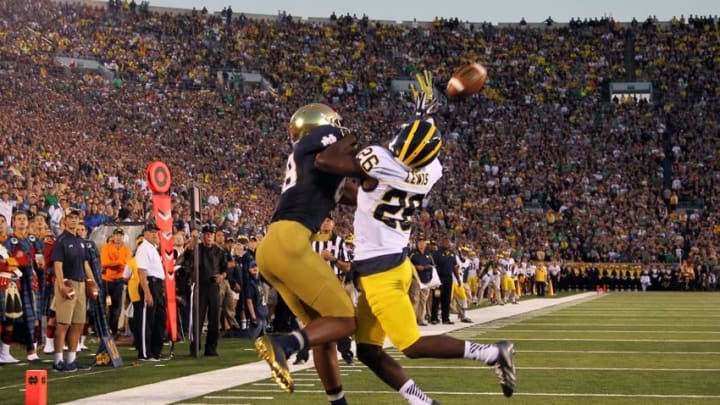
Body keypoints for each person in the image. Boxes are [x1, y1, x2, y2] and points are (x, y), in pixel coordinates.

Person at [315, 74, 516, 403]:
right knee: (367, 350)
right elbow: (420, 143)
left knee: (411, 345)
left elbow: (326, 161)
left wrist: (336, 137)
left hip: (380, 270)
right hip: (393, 261)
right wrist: (424, 116)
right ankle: (421, 401)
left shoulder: (380, 163)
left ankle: (493, 353)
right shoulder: (430, 172)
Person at [253, 103, 356, 404]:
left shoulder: (312, 163)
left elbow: (355, 194)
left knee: (324, 331)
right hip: (291, 241)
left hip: (273, 246)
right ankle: (284, 344)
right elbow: (333, 158)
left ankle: (337, 401)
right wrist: (363, 151)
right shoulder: (323, 145)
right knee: (346, 319)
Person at [49, 208, 98, 372]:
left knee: (78, 323)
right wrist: (62, 285)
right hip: (68, 282)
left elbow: (85, 264)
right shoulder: (61, 240)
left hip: (81, 284)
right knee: (63, 323)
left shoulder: (81, 241)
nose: (73, 221)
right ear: (65, 220)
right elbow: (57, 264)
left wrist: (93, 281)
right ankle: (58, 361)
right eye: (70, 218)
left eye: (76, 218)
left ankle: (71, 359)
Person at [185, 224, 225, 356]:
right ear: (203, 236)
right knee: (198, 317)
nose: (209, 237)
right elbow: (187, 257)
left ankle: (211, 348)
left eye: (211, 234)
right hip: (200, 286)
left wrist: (221, 276)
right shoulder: (197, 249)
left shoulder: (219, 251)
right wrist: (193, 241)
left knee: (214, 318)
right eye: (207, 234)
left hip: (213, 286)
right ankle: (195, 347)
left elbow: (225, 269)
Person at [135, 222, 168, 361]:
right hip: (150, 284)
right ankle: (144, 353)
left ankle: (155, 351)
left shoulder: (153, 248)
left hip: (158, 285)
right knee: (147, 321)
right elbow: (141, 272)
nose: (155, 234)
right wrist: (147, 292)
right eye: (152, 232)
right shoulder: (143, 248)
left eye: (156, 232)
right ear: (146, 233)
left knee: (159, 320)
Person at [100, 227, 131, 337]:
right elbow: (104, 263)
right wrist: (118, 262)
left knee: (116, 307)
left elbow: (126, 264)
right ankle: (103, 329)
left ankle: (113, 330)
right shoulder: (106, 247)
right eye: (116, 235)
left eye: (120, 235)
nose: (118, 237)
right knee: (106, 305)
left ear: (123, 237)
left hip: (119, 281)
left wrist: (113, 263)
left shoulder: (126, 249)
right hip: (107, 281)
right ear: (113, 236)